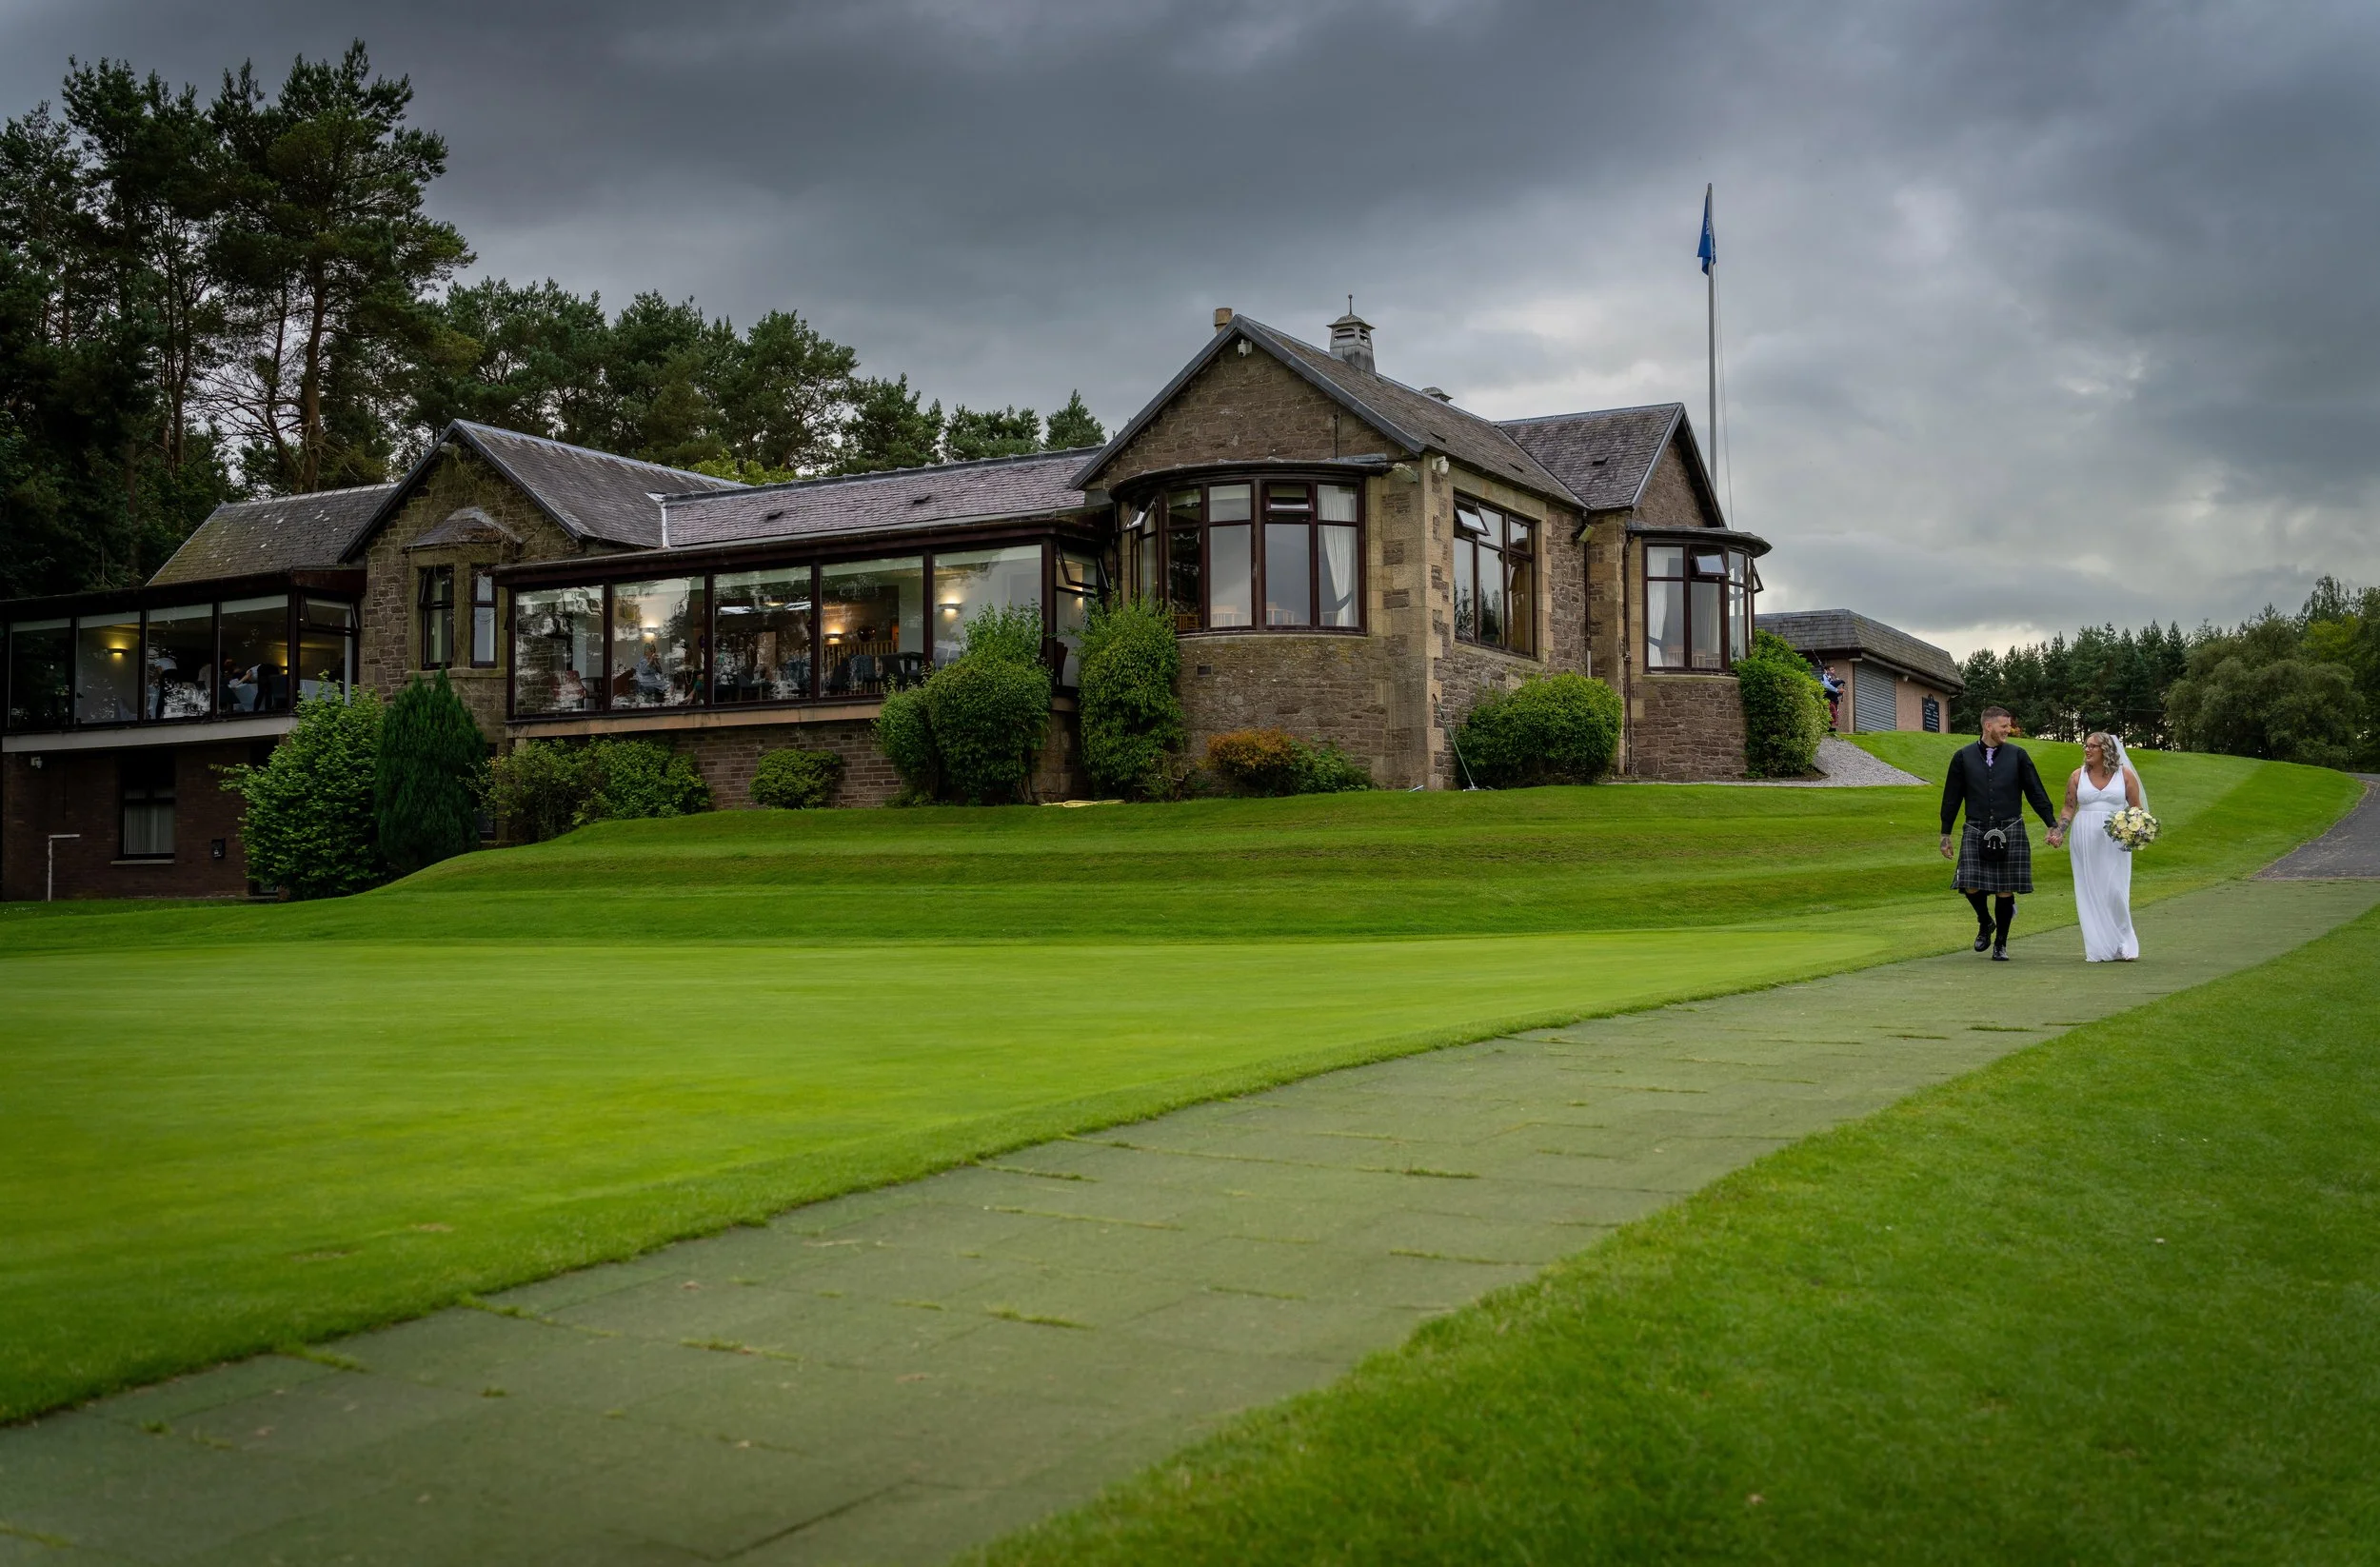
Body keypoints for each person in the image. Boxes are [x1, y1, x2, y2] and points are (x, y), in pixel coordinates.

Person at [1939, 705, 2063, 960]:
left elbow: (2035, 791)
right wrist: (1945, 834)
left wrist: (2051, 823)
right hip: (1975, 827)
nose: (2009, 730)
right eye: (2004, 726)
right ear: (1988, 726)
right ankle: (1985, 922)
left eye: (2009, 726)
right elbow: (1951, 798)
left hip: (2010, 828)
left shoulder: (2018, 755)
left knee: (2005, 889)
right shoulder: (1962, 757)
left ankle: (2001, 944)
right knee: (1969, 884)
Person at [2059, 731, 2144, 962]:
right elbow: (2068, 808)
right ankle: (2099, 946)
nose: (2087, 750)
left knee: (2115, 889)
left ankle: (2124, 942)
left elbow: (2136, 809)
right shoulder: (2078, 776)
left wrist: (2134, 832)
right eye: (2086, 746)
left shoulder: (2124, 775)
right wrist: (2059, 832)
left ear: (2105, 749)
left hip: (2115, 839)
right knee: (2089, 889)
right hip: (2084, 836)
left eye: (2092, 746)